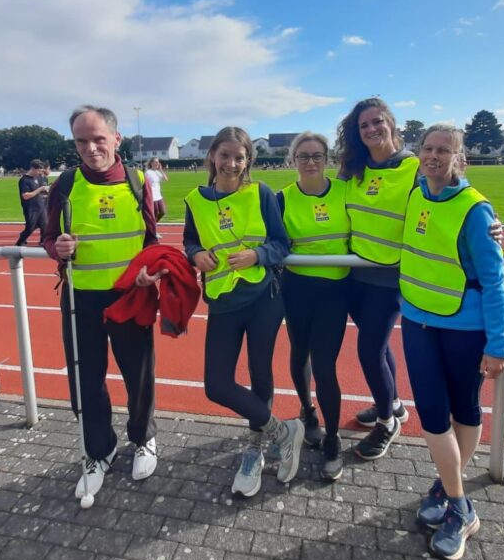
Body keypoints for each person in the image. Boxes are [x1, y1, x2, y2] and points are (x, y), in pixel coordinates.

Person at [399, 124, 504, 560]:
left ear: (459, 159)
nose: (433, 155)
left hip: (465, 327)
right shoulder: (414, 192)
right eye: (427, 148)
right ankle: (456, 495)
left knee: (464, 408)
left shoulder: (476, 210)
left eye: (444, 150)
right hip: (416, 320)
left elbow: (495, 282)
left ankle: (457, 504)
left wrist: (498, 345)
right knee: (431, 412)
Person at [43, 106, 162, 493]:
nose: (91, 148)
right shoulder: (65, 183)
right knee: (86, 379)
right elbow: (48, 237)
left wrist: (149, 270)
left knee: (138, 374)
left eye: (98, 139)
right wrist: (58, 248)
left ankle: (143, 437)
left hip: (131, 295)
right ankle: (99, 449)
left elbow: (150, 240)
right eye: (82, 141)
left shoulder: (138, 181)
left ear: (116, 139)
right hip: (81, 298)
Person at [183, 126, 302, 497]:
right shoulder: (195, 199)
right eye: (225, 155)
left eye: (239, 157)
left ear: (248, 160)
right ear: (212, 156)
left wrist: (257, 255)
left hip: (264, 297)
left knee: (260, 372)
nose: (232, 164)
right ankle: (284, 431)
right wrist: (195, 254)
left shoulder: (260, 193)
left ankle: (255, 447)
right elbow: (190, 240)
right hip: (222, 300)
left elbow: (281, 243)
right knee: (216, 385)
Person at [336, 97, 420, 460]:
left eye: (377, 121)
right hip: (354, 275)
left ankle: (387, 422)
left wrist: (489, 220)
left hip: (390, 278)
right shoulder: (352, 170)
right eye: (364, 125)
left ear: (391, 123)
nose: (371, 129)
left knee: (369, 350)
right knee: (380, 347)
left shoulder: (414, 167)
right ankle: (394, 403)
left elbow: (450, 194)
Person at [277, 132, 349, 480]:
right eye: (303, 156)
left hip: (335, 291)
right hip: (297, 290)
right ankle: (307, 410)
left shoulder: (345, 192)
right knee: (299, 353)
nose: (310, 162)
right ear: (293, 160)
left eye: (317, 156)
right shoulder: (281, 199)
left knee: (324, 365)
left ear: (327, 159)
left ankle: (333, 438)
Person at [15, 159, 50, 246]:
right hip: (31, 208)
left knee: (45, 225)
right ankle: (19, 243)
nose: (40, 173)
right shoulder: (24, 180)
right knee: (30, 227)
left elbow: (41, 191)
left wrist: (47, 191)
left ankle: (44, 242)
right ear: (33, 169)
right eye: (39, 170)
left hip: (41, 206)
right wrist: (40, 189)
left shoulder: (38, 177)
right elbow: (25, 196)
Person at [144, 158, 170, 223]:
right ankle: (152, 226)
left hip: (158, 195)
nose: (157, 163)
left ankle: (152, 225)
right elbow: (145, 183)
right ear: (151, 163)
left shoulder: (157, 172)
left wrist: (161, 170)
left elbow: (166, 179)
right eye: (155, 162)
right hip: (152, 196)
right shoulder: (148, 172)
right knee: (155, 213)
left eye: (158, 162)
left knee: (162, 212)